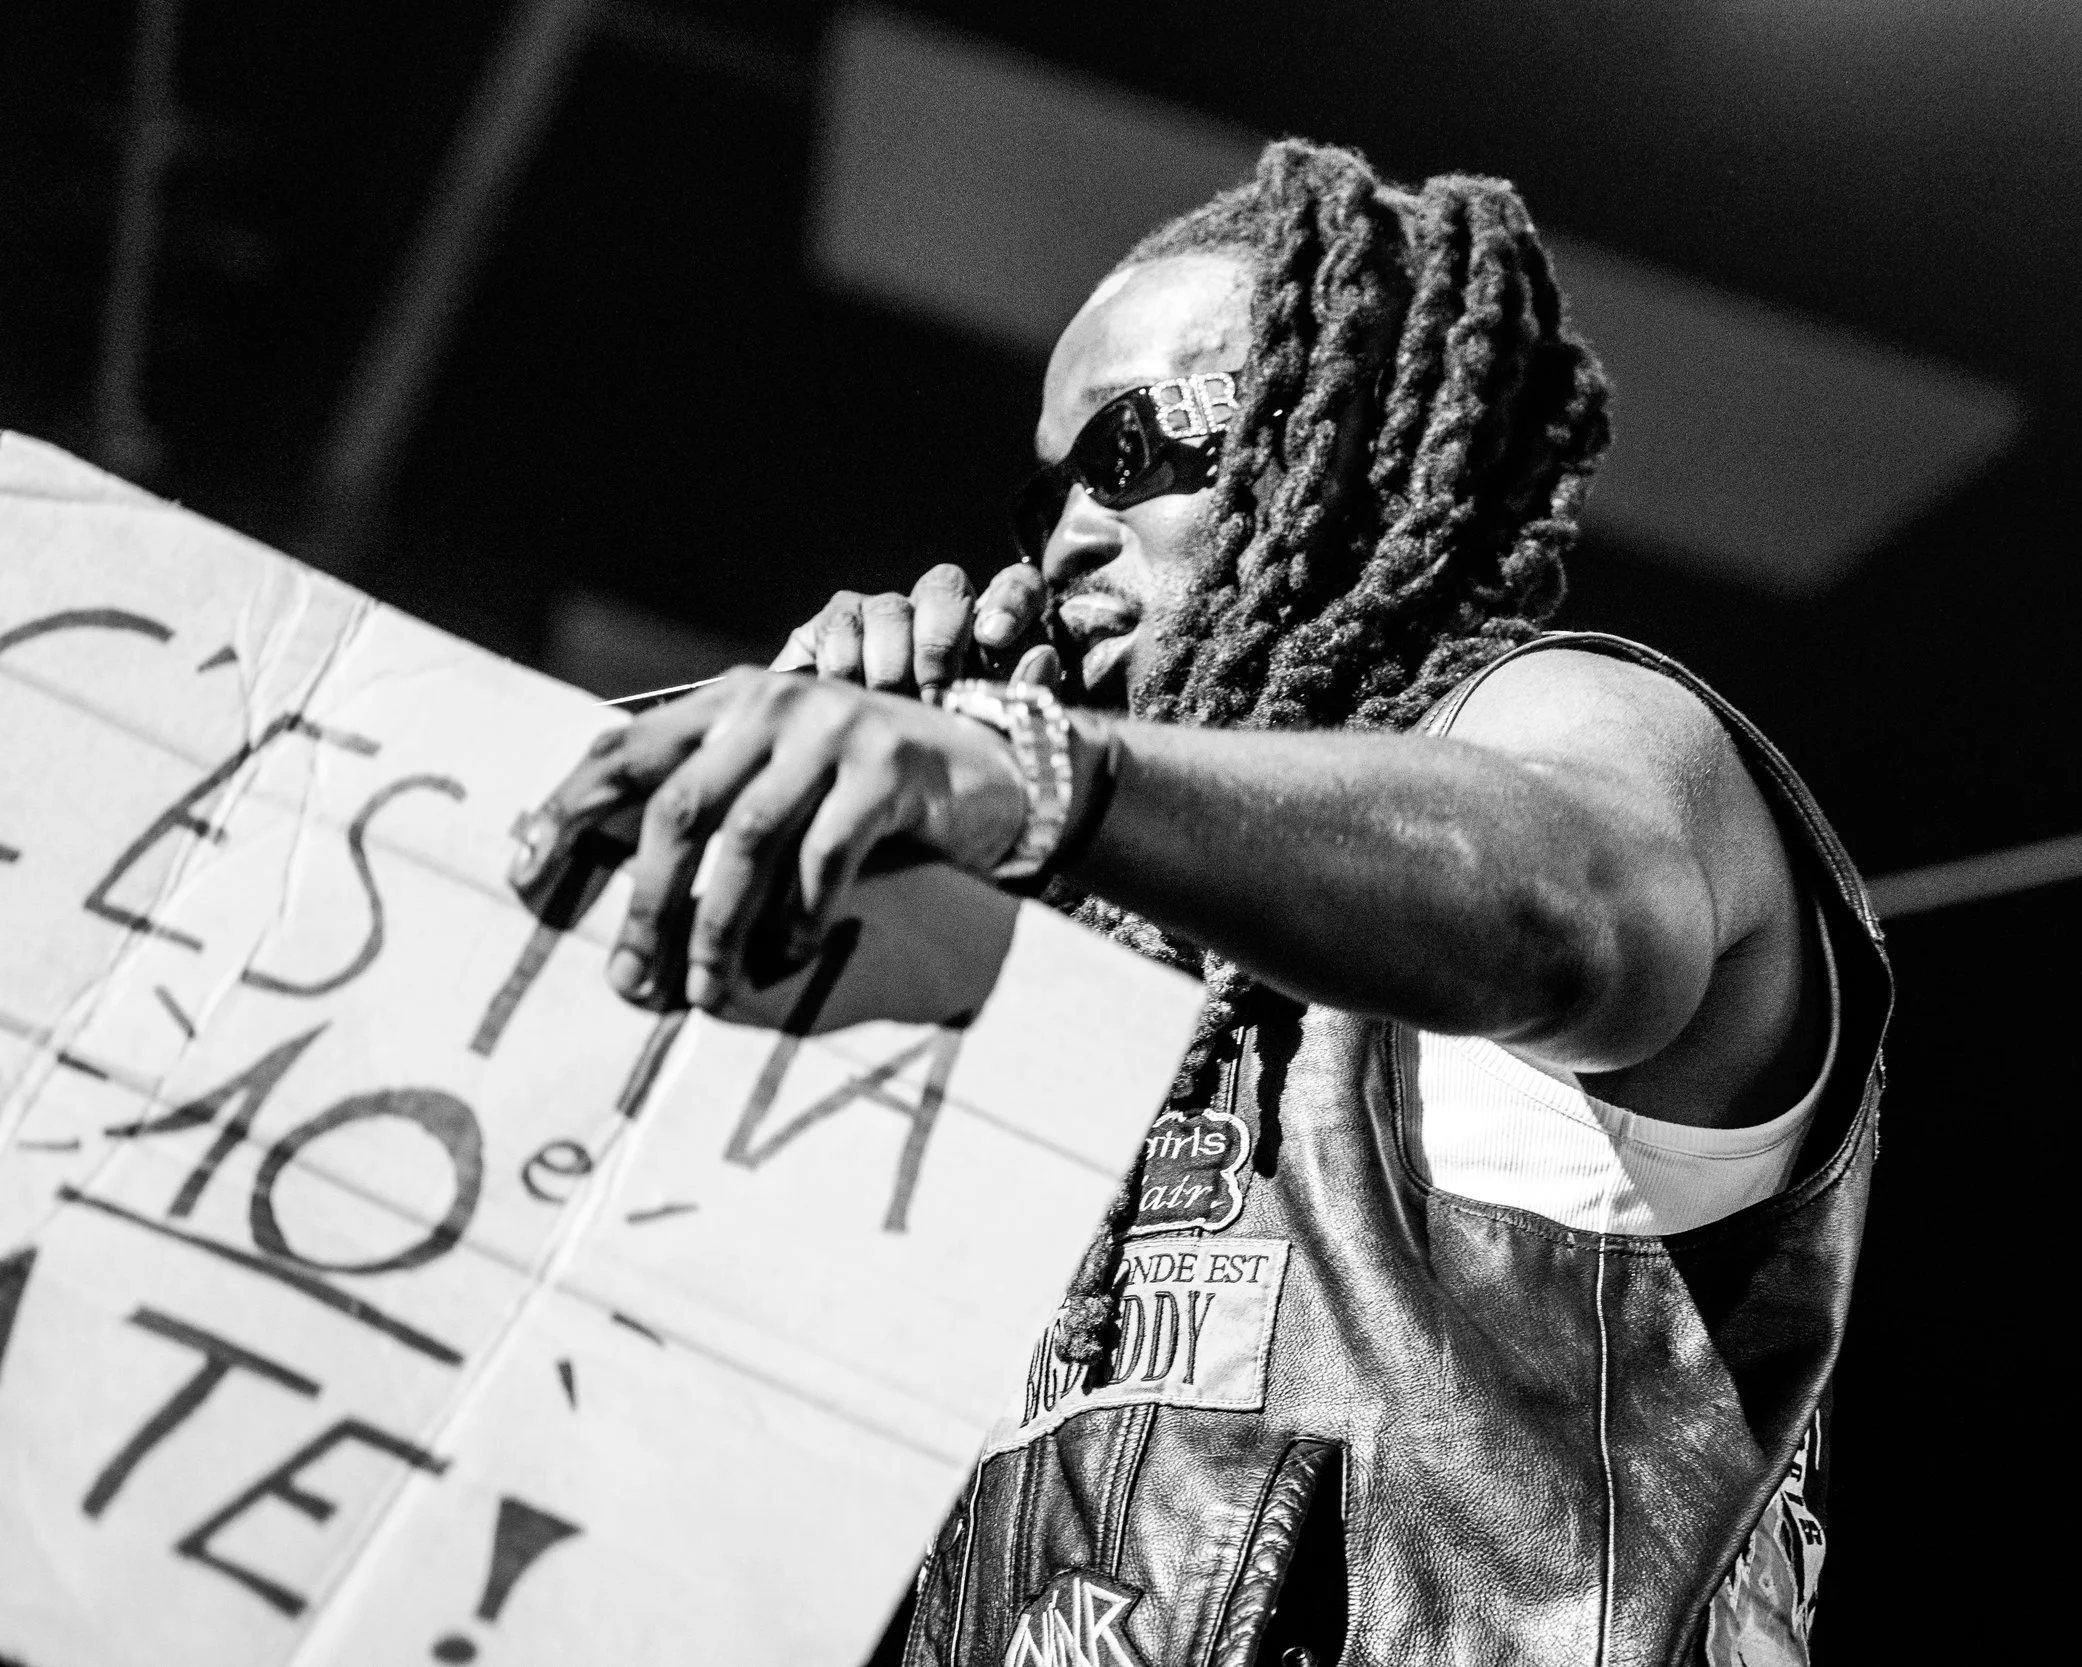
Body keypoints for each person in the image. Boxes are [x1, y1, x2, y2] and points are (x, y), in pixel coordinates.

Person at [511, 140, 1891, 1667]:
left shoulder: (1576, 724)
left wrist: (1021, 775)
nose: (1061, 544)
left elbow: (1570, 909)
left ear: (1337, 432)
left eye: (1121, 456)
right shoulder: (1111, 978)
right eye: (1043, 503)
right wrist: (786, 849)